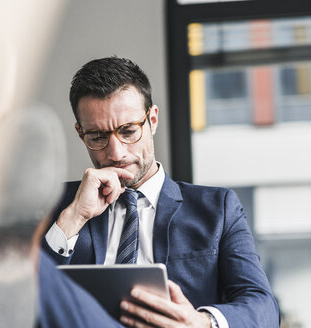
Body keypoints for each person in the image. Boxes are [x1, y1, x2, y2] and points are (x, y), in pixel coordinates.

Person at [41, 56, 280, 327]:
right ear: (80, 132)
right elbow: (21, 298)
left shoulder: (218, 209)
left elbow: (263, 307)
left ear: (152, 120)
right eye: (97, 137)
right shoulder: (57, 205)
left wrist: (202, 323)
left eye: (128, 131)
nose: (116, 153)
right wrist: (73, 218)